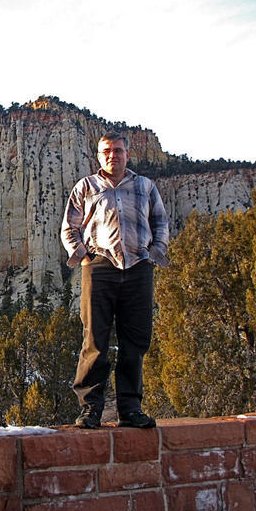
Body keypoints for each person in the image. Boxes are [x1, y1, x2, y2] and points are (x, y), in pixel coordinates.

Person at [60, 131, 169, 429]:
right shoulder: (86, 186)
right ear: (99, 155)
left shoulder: (145, 187)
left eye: (118, 150)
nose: (113, 155)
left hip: (138, 268)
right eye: (107, 151)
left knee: (136, 341)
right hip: (100, 267)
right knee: (95, 339)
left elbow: (160, 222)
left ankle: (131, 410)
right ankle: (90, 410)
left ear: (127, 154)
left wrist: (155, 254)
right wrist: (83, 257)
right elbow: (70, 227)